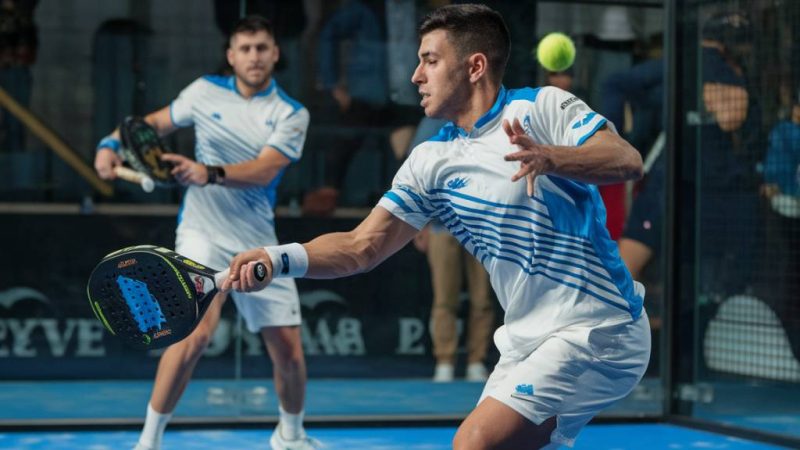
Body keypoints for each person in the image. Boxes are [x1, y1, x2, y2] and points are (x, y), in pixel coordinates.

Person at [225, 5, 649, 449]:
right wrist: (277, 258)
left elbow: (626, 160)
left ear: (474, 67)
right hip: (528, 341)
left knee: (473, 444)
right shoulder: (431, 160)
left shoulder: (541, 108)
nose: (415, 76)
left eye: (430, 60)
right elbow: (361, 245)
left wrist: (552, 157)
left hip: (599, 329)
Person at [93, 16, 320, 450]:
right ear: (231, 55)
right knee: (192, 334)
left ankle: (290, 438)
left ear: (275, 53)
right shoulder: (203, 92)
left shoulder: (291, 114)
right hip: (202, 234)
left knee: (288, 351)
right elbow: (149, 126)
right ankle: (149, 442)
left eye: (262, 48)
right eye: (246, 48)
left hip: (259, 244)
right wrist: (109, 145)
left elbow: (265, 169)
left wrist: (208, 172)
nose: (254, 56)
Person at [410, 117, 495, 383]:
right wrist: (419, 222)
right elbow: (416, 172)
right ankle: (445, 361)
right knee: (444, 299)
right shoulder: (432, 122)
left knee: (482, 299)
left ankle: (475, 361)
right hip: (441, 226)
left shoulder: (491, 116)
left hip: (482, 226)